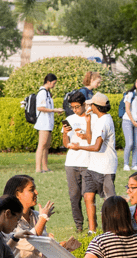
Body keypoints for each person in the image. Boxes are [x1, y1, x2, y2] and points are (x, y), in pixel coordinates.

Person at [70, 92, 117, 234]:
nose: (88, 106)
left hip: (106, 167)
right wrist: (89, 120)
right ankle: (92, 230)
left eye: (91, 104)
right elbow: (91, 139)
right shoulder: (98, 119)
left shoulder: (105, 121)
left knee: (108, 201)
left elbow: (96, 147)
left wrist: (79, 147)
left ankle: (110, 230)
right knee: (88, 196)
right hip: (93, 166)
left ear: (96, 106)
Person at [62, 90, 90, 232]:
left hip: (88, 162)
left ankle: (92, 226)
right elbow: (66, 144)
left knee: (87, 196)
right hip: (72, 163)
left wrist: (85, 136)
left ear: (84, 104)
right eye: (72, 107)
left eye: (77, 107)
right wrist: (66, 135)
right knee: (74, 197)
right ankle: (79, 226)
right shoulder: (70, 119)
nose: (75, 110)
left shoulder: (91, 118)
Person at [33, 73, 63, 174]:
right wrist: (54, 110)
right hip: (43, 123)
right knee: (41, 145)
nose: (54, 85)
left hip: (48, 123)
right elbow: (40, 107)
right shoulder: (42, 92)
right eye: (53, 83)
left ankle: (45, 167)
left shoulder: (47, 93)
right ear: (48, 82)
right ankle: (38, 168)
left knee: (46, 146)